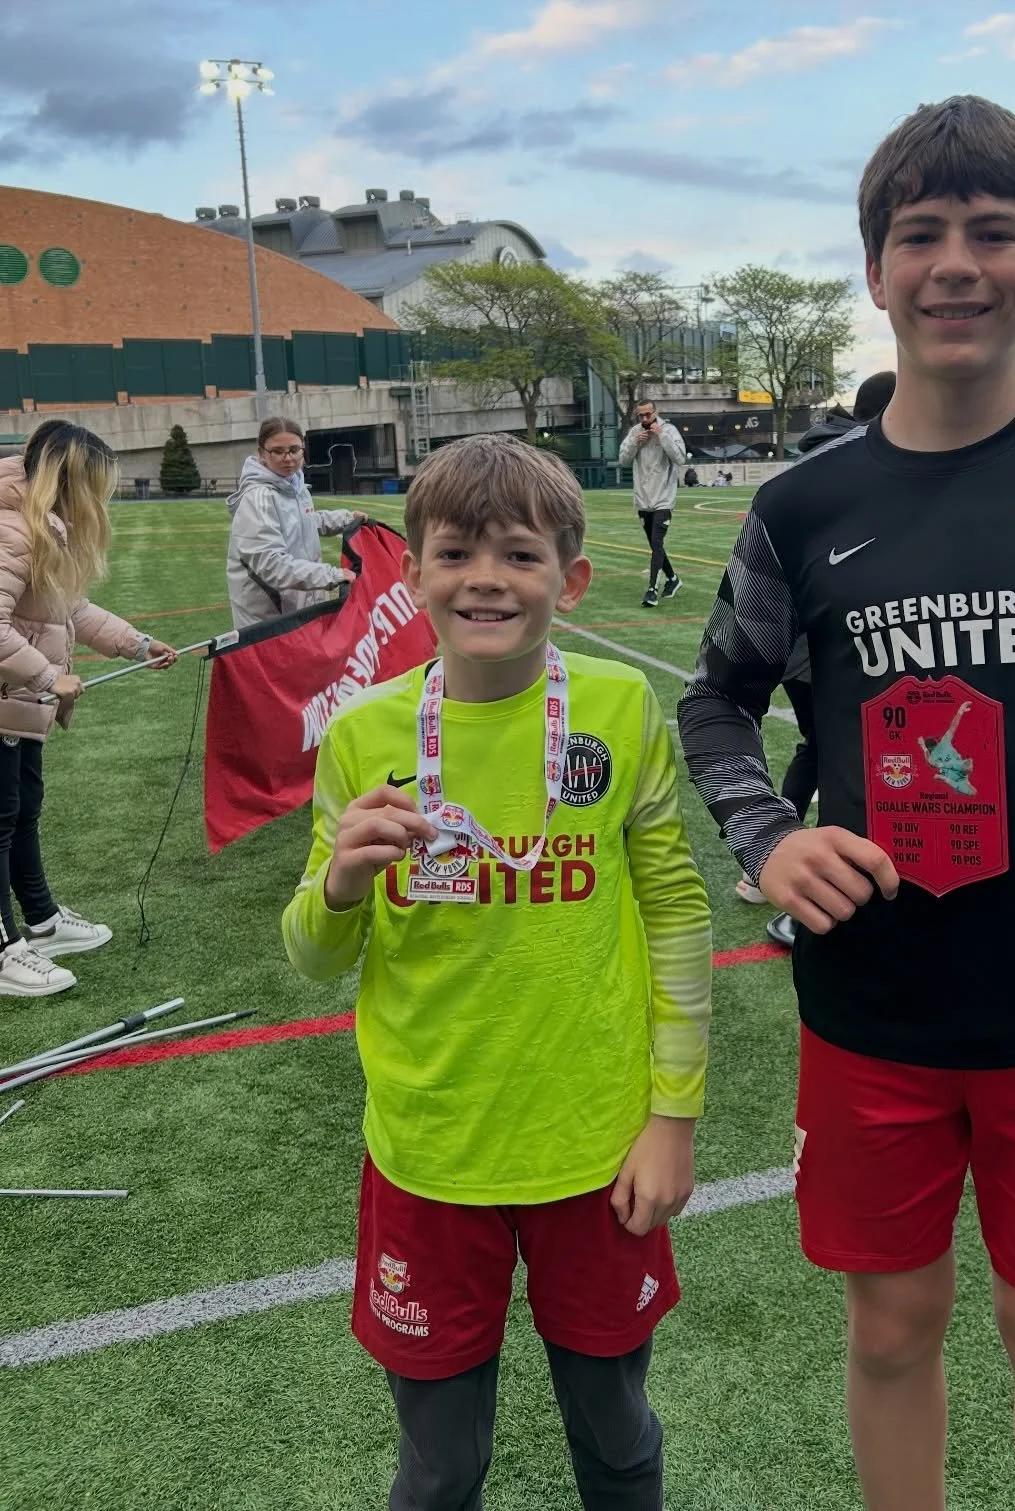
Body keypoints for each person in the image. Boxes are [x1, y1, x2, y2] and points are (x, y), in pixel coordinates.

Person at [679, 95, 1015, 1511]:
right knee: (889, 1325)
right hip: (875, 998)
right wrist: (768, 835)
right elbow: (716, 701)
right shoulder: (801, 507)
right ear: (877, 270)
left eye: (995, 232)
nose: (958, 263)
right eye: (922, 234)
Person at [282, 433, 712, 1511]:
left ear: (571, 577)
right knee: (439, 1466)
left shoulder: (620, 707)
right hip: (431, 1148)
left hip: (597, 1146)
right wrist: (341, 881)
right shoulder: (362, 733)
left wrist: (673, 1115)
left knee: (617, 1437)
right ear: (412, 571)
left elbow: (674, 907)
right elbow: (312, 955)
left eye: (519, 554)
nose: (486, 578)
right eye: (456, 552)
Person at [0, 422, 178, 998]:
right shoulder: (11, 528)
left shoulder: (40, 524)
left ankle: (41, 921)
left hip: (17, 705)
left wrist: (136, 643)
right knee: (0, 821)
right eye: (94, 486)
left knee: (22, 811)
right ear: (67, 480)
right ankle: (3, 950)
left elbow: (69, 607)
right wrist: (49, 677)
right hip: (13, 697)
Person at [747, 372, 898, 943]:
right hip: (825, 651)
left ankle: (771, 864)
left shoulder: (814, 461)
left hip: (799, 650)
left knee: (826, 748)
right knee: (846, 756)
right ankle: (788, 873)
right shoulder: (849, 472)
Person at [225, 416, 366, 630]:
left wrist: (345, 519)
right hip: (270, 624)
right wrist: (331, 575)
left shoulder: (295, 485)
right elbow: (271, 565)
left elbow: (303, 522)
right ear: (262, 453)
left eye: (294, 450)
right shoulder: (258, 498)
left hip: (297, 613)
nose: (288, 458)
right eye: (277, 451)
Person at [617, 400, 686, 608]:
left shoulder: (669, 430)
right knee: (655, 545)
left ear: (656, 412)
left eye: (648, 414)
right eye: (641, 415)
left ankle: (652, 590)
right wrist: (634, 443)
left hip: (664, 499)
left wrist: (662, 436)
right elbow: (623, 460)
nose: (645, 419)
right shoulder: (635, 433)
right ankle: (673, 579)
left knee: (656, 542)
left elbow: (680, 458)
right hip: (643, 500)